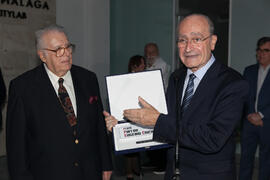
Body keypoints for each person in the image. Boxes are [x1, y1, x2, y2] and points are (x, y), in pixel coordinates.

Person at [121, 14, 249, 180]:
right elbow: (167, 126)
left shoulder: (233, 83)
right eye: (182, 40)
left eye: (196, 39)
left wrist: (156, 120)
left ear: (213, 42)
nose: (188, 48)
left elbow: (213, 138)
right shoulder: (176, 78)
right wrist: (122, 127)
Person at [6, 25, 112, 180]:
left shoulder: (88, 79)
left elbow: (98, 126)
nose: (66, 54)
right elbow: (16, 148)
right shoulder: (23, 88)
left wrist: (106, 164)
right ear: (42, 56)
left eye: (68, 47)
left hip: (90, 171)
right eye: (58, 50)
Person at [105, 55, 145, 180]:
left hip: (137, 114)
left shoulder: (141, 78)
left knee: (135, 146)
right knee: (129, 147)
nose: (144, 66)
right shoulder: (127, 79)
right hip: (127, 115)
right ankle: (129, 173)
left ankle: (134, 169)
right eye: (142, 64)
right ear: (135, 65)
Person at [239, 37, 270, 180]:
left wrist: (262, 115)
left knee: (266, 162)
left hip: (266, 123)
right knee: (245, 160)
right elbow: (243, 96)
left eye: (266, 50)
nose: (261, 53)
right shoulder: (249, 71)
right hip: (249, 122)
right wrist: (249, 115)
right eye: (259, 50)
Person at [144, 43, 170, 174]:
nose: (149, 55)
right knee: (148, 134)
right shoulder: (146, 64)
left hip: (159, 104)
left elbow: (152, 80)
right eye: (147, 52)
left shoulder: (162, 65)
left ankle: (162, 165)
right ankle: (153, 160)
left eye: (152, 52)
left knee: (159, 135)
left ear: (157, 52)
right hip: (148, 104)